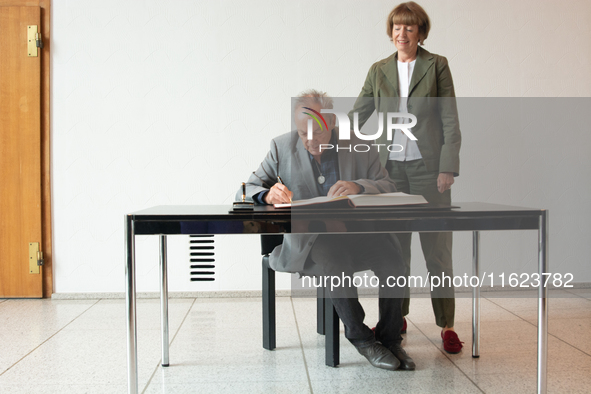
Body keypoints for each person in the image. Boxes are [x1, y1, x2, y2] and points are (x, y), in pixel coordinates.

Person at [238, 89, 415, 371]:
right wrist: (267, 194)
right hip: (312, 240)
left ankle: (390, 337)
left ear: (331, 121)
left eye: (317, 132)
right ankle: (361, 337)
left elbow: (388, 185)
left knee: (394, 260)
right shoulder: (281, 147)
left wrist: (359, 186)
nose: (310, 140)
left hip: (359, 235)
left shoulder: (360, 145)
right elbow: (245, 190)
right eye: (303, 133)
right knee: (335, 261)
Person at [348, 2, 463, 354]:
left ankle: (447, 324)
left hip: (428, 170)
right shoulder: (379, 69)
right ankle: (397, 317)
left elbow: (449, 120)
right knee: (396, 250)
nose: (402, 33)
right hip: (390, 173)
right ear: (391, 32)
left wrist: (447, 166)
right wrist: (327, 138)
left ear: (421, 33)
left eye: (410, 28)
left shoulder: (437, 65)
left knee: (438, 250)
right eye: (397, 27)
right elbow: (359, 113)